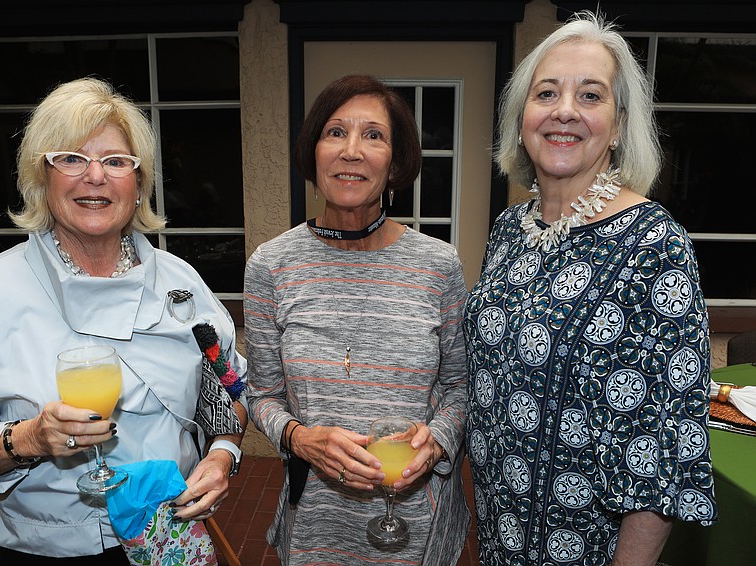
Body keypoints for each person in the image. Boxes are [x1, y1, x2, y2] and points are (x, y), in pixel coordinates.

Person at [0, 77, 247, 564]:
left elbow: (231, 390)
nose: (95, 177)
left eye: (116, 161)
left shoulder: (181, 281)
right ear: (41, 178)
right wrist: (28, 439)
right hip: (51, 549)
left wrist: (222, 456)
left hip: (171, 533)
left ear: (139, 183)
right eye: (71, 158)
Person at [463, 12, 717, 566]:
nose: (565, 111)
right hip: (500, 539)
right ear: (522, 118)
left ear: (619, 125)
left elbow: (664, 448)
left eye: (591, 95)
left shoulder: (655, 245)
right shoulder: (510, 228)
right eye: (546, 93)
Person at [244, 74, 470, 565]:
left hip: (419, 519)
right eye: (335, 132)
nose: (351, 151)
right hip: (316, 521)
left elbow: (460, 387)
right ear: (314, 153)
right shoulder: (271, 265)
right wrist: (301, 438)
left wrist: (438, 443)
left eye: (373, 135)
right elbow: (261, 395)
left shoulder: (439, 265)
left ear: (396, 163)